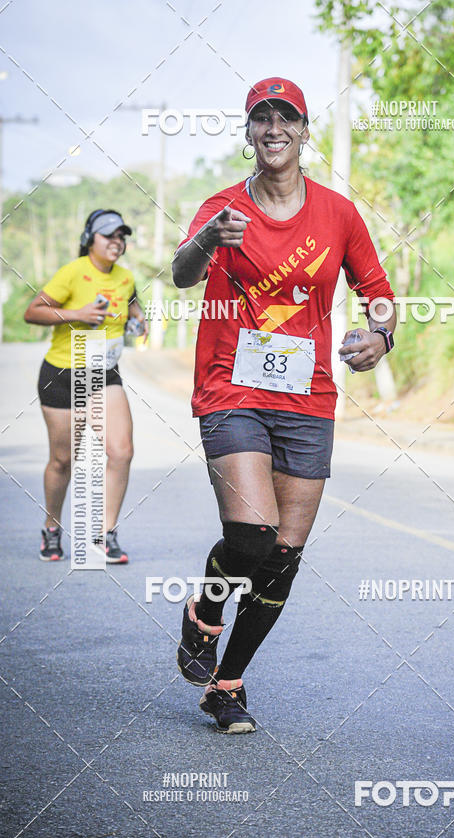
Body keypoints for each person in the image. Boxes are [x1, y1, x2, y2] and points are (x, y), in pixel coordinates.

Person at [172, 77, 396, 734]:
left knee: (283, 555)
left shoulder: (338, 213)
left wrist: (381, 336)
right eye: (262, 118)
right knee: (252, 533)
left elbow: (378, 292)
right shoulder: (222, 207)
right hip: (231, 388)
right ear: (249, 132)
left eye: (286, 118)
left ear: (303, 130)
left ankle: (227, 683)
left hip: (307, 396)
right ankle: (203, 616)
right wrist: (210, 239)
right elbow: (182, 273)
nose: (274, 129)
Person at [24, 209, 147, 562]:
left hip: (104, 374)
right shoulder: (73, 272)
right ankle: (51, 527)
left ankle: (105, 534)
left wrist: (139, 320)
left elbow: (133, 305)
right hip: (62, 375)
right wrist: (77, 315)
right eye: (108, 235)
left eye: (121, 236)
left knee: (121, 451)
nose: (116, 242)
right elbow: (33, 312)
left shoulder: (125, 277)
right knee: (63, 460)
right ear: (89, 239)